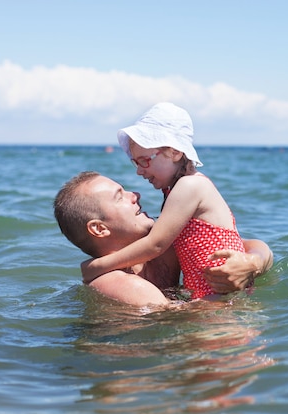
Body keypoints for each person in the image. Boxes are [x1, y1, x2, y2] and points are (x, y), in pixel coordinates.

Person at [81, 103, 262, 299]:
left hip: (219, 299)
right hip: (214, 298)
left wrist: (98, 266)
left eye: (144, 160)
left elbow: (155, 244)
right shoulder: (177, 190)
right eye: (135, 162)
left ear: (175, 152)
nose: (139, 171)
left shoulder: (190, 186)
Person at [54, 171, 273, 307]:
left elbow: (254, 246)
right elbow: (181, 317)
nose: (135, 195)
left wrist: (252, 263)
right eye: (120, 196)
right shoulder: (115, 283)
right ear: (99, 229)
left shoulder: (163, 245)